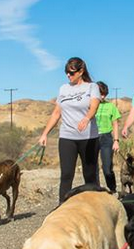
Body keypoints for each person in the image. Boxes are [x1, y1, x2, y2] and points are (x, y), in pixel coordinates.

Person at [39, 57, 100, 203]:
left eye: (71, 72)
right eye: (66, 72)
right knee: (66, 174)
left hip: (89, 138)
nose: (68, 75)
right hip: (67, 137)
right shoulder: (63, 89)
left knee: (90, 175)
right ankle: (63, 206)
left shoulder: (92, 87)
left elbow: (94, 106)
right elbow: (56, 113)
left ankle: (95, 206)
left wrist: (86, 118)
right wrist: (45, 133)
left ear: (81, 71)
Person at [94, 82, 121, 193]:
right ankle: (95, 191)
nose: (103, 97)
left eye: (105, 94)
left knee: (107, 168)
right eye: (101, 94)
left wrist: (116, 141)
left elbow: (115, 124)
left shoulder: (111, 106)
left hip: (106, 138)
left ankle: (113, 190)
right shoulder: (89, 105)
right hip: (92, 138)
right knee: (93, 168)